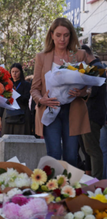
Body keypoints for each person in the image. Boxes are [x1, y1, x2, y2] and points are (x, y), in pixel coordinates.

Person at [30, 17, 90, 167]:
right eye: (58, 35)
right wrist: (41, 99)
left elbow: (89, 85)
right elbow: (34, 88)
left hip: (73, 110)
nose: (62, 39)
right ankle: (53, 188)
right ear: (51, 35)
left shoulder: (80, 55)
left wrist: (82, 92)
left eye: (66, 35)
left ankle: (69, 189)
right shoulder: (42, 57)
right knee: (54, 154)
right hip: (51, 109)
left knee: (71, 155)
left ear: (71, 36)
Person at [80, 45, 106, 179]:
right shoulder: (95, 68)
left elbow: (92, 93)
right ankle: (93, 179)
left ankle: (96, 181)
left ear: (85, 54)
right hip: (91, 114)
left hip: (93, 115)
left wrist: (80, 92)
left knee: (93, 149)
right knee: (88, 149)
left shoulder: (98, 69)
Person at [0, 63, 32, 135]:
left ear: (21, 72)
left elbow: (27, 99)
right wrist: (0, 118)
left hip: (22, 114)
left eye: (17, 71)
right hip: (7, 114)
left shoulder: (26, 85)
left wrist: (16, 94)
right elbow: (2, 101)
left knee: (21, 138)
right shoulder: (6, 84)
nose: (14, 73)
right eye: (12, 71)